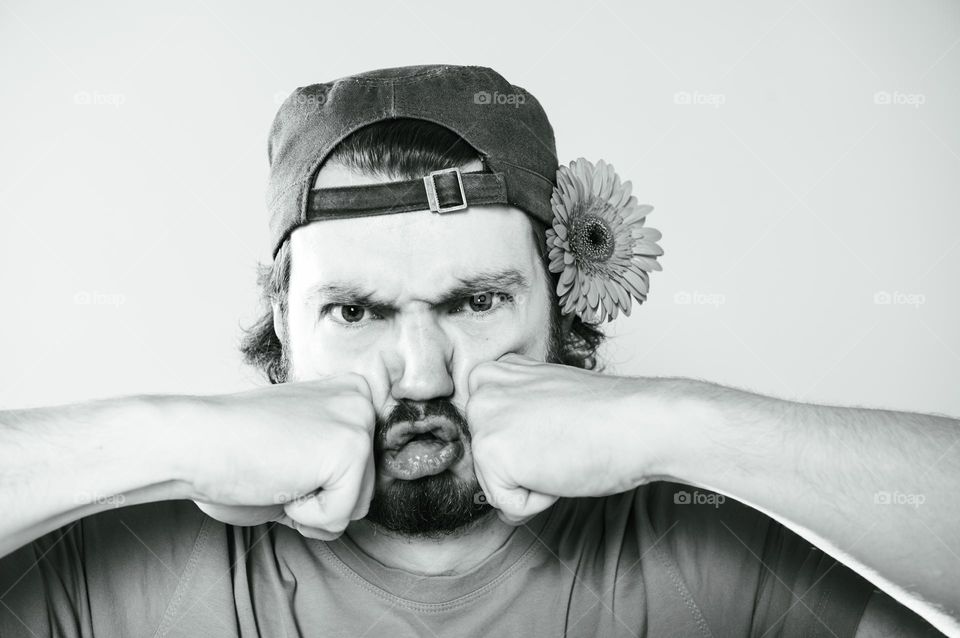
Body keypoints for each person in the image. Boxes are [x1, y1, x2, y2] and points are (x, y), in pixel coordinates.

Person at [0, 64, 955, 637]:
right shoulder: (107, 567)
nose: (420, 373)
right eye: (354, 313)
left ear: (561, 305)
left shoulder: (717, 545)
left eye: (477, 301)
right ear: (280, 324)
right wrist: (164, 439)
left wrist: (680, 421)